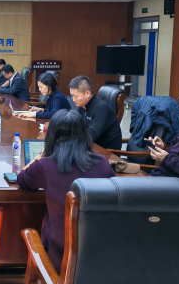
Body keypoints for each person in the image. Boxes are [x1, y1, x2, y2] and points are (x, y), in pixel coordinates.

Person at [17, 109, 114, 273]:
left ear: (51, 136)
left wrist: (41, 155)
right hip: (100, 256)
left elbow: (22, 179)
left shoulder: (45, 165)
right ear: (84, 135)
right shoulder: (103, 163)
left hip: (59, 259)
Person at [69, 75, 122, 150]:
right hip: (90, 147)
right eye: (72, 96)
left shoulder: (101, 108)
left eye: (76, 96)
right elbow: (74, 125)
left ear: (87, 93)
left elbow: (92, 135)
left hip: (106, 152)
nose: (74, 100)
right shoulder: (81, 106)